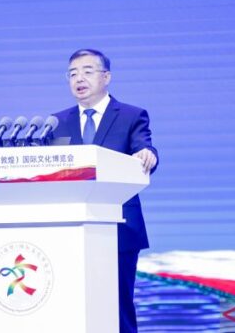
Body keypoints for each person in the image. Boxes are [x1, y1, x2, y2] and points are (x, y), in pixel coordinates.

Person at [52, 49, 158, 333]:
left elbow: (144, 147)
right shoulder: (57, 122)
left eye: (87, 71)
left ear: (106, 77)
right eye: (72, 74)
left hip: (119, 228)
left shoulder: (131, 115)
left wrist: (147, 154)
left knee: (117, 307)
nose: (79, 79)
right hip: (68, 229)